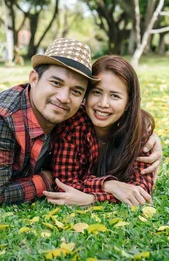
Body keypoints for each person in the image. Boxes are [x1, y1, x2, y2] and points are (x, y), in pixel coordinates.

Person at [0, 38, 161, 210]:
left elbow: (113, 105)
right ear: (34, 78)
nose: (63, 97)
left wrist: (144, 130)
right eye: (55, 83)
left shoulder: (77, 106)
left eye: (76, 90)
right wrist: (46, 179)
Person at [44, 55, 157, 207]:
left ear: (128, 103)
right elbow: (65, 183)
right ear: (86, 95)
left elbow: (141, 190)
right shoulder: (73, 125)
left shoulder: (138, 129)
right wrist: (109, 185)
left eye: (115, 96)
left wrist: (92, 199)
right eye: (97, 92)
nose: (103, 104)